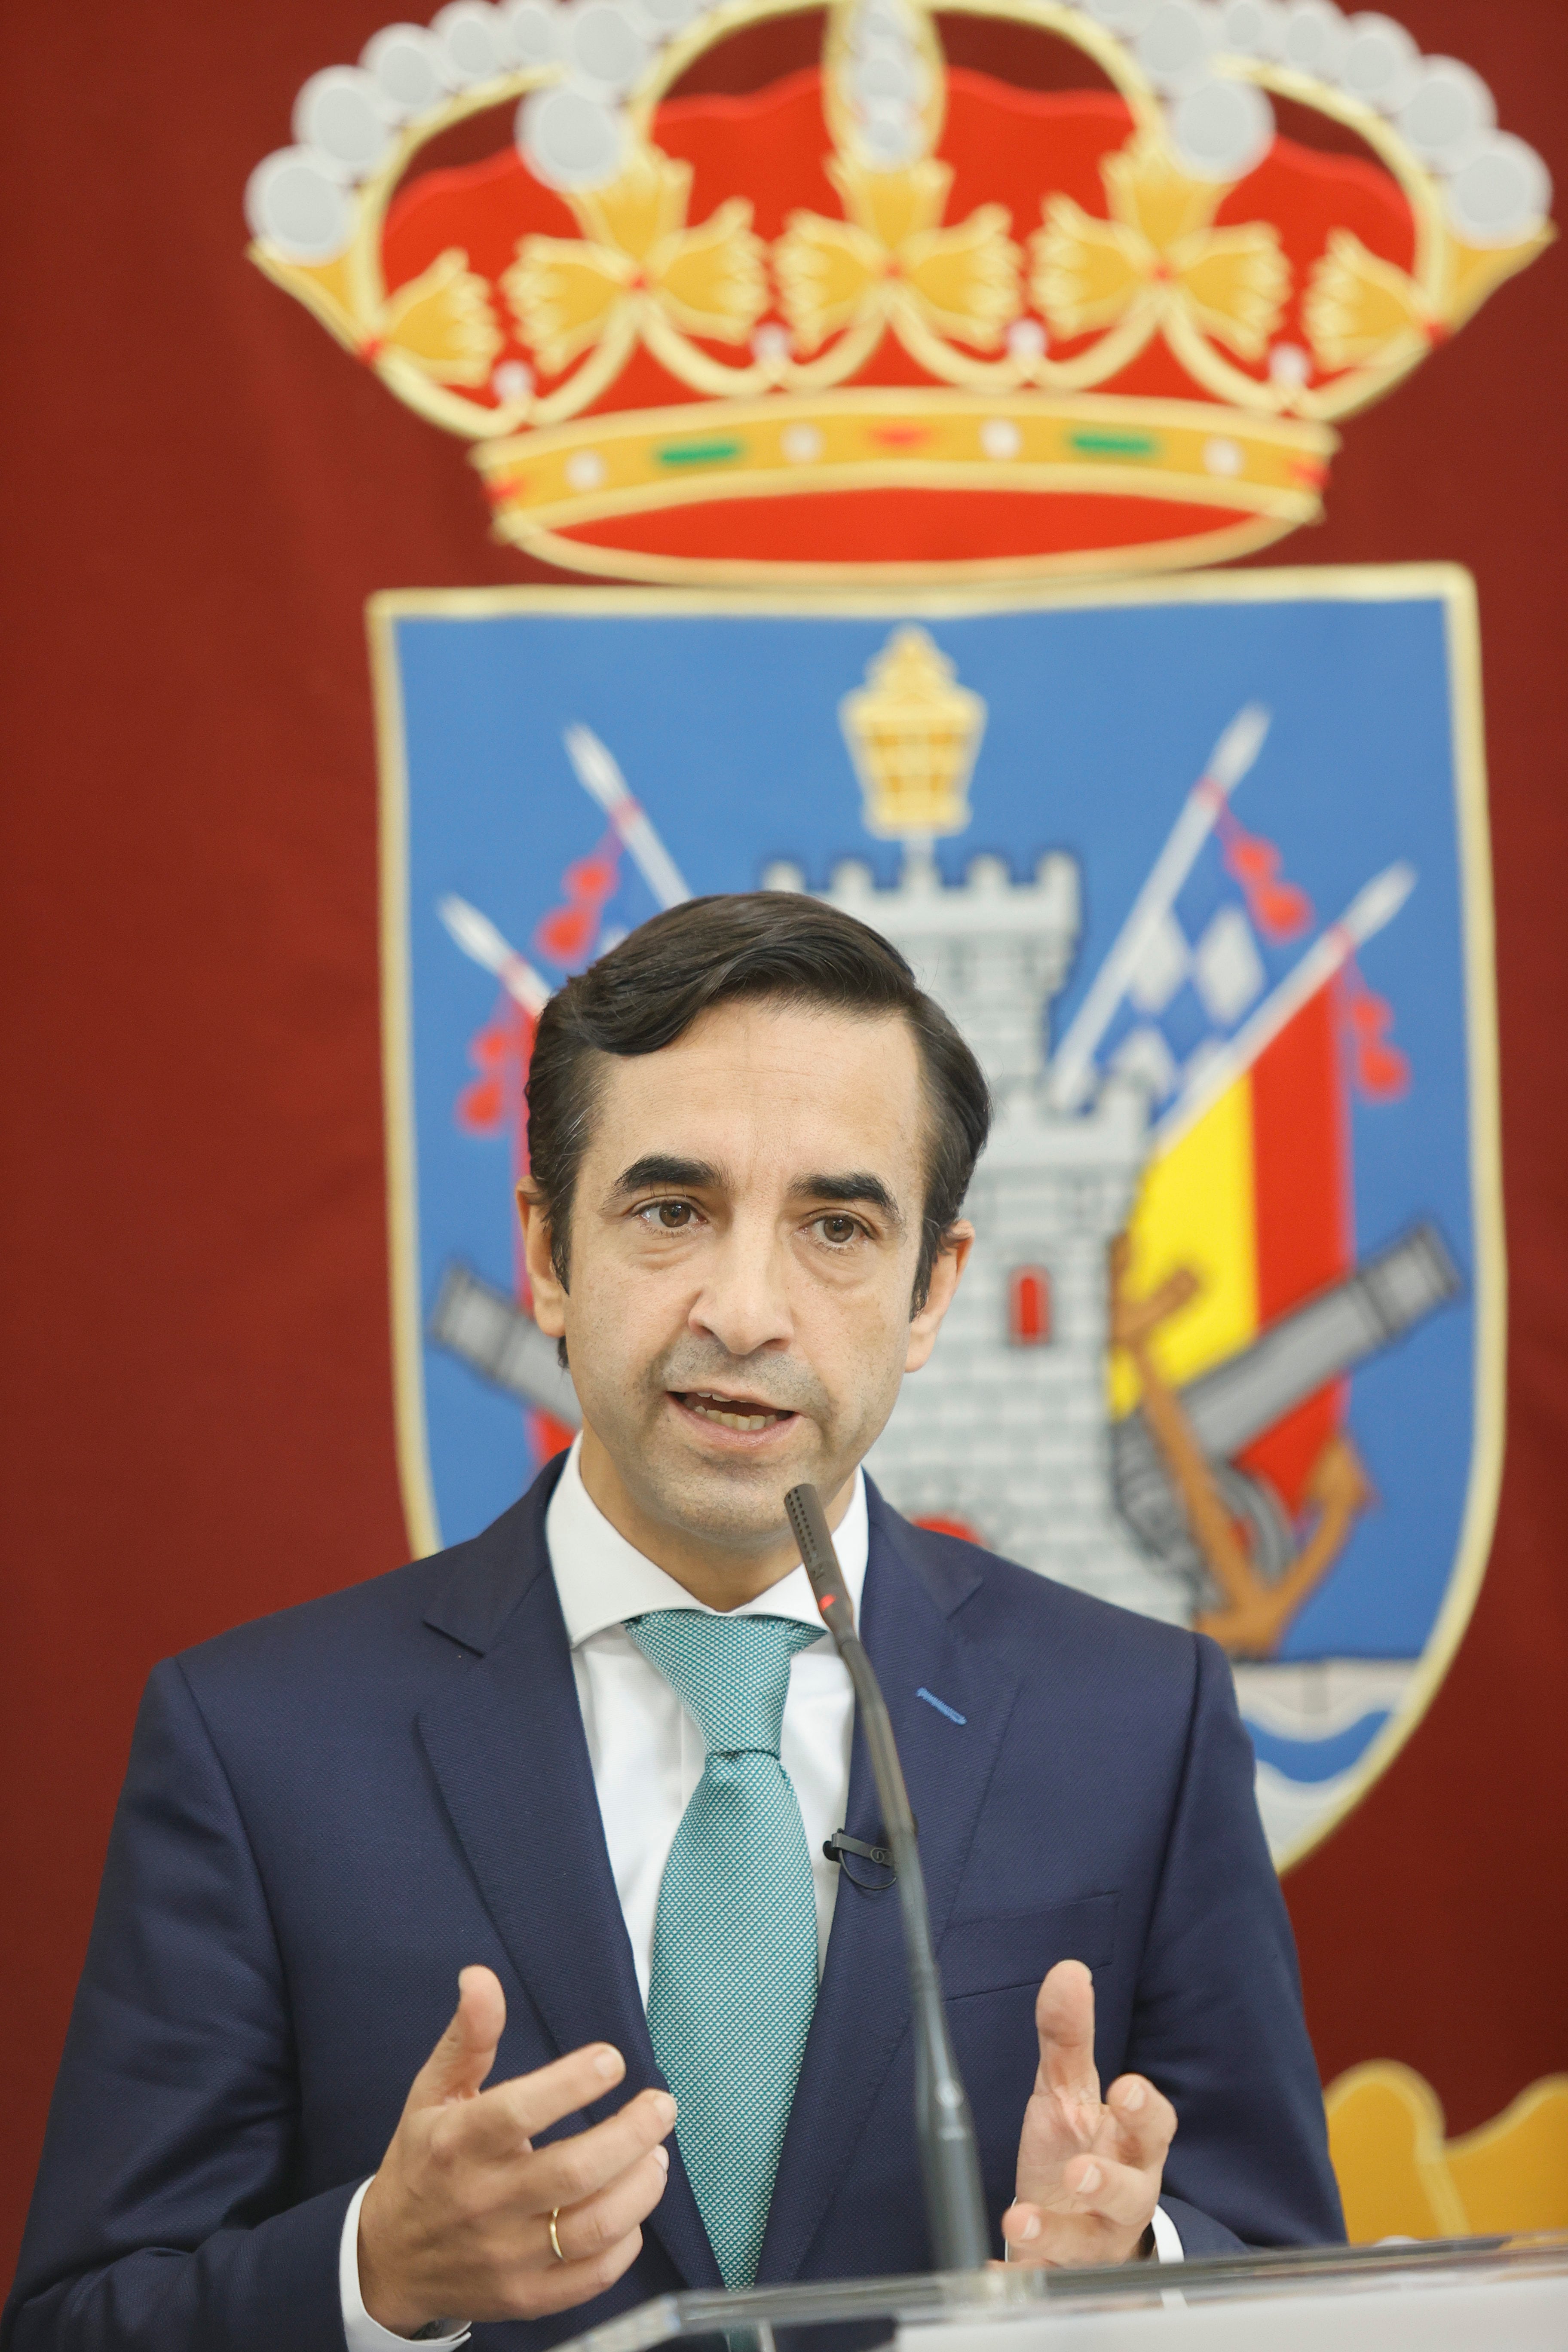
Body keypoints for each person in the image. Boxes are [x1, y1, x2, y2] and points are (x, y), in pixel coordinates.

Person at [4, 894, 1342, 2352]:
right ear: (550, 1256)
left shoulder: (1137, 1723)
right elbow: (82, 2322)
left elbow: (1296, 2280)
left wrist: (1135, 2263)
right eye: (670, 1211)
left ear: (929, 1294)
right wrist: (371, 2278)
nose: (747, 1309)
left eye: (837, 1226)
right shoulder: (257, 1745)